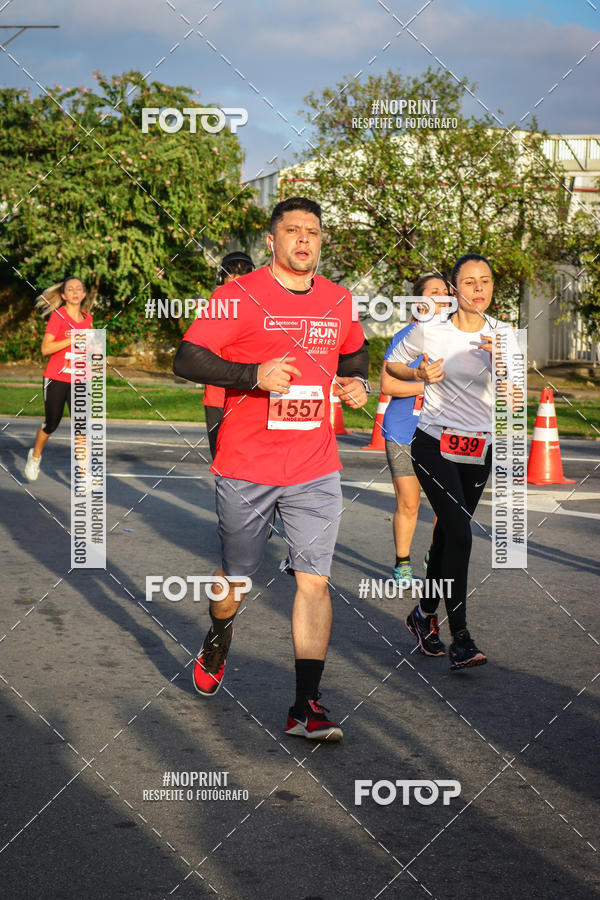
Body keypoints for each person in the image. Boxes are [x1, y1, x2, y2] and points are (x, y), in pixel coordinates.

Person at [173, 197, 369, 740]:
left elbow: (354, 354)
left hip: (314, 464)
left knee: (315, 581)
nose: (303, 239)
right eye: (292, 230)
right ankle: (219, 637)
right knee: (235, 578)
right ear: (271, 241)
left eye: (313, 231)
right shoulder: (236, 296)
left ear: (321, 241)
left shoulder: (338, 300)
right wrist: (252, 375)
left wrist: (357, 382)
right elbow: (186, 358)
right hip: (246, 465)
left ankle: (306, 706)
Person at [386, 253, 518, 670]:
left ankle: (423, 613)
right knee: (461, 535)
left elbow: (515, 401)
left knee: (446, 537)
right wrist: (419, 375)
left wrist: (501, 365)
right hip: (433, 444)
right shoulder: (431, 329)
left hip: (479, 449)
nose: (479, 289)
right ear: (454, 289)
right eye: (470, 282)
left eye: (486, 281)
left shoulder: (505, 334)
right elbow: (392, 365)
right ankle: (460, 637)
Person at [381, 274, 449, 585]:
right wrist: (425, 384)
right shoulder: (406, 337)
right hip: (403, 431)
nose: (443, 296)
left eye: (446, 292)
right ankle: (403, 563)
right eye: (435, 292)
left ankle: (435, 554)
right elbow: (388, 384)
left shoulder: (457, 340)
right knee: (409, 502)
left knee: (445, 503)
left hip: (443, 432)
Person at [24, 277, 93, 482]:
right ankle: (35, 456)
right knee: (51, 423)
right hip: (56, 378)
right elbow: (46, 349)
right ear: (63, 295)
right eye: (70, 289)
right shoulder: (58, 317)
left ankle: (84, 476)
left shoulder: (88, 320)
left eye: (78, 289)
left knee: (81, 427)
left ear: (84, 294)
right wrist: (73, 338)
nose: (75, 292)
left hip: (79, 379)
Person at [203, 252, 255, 459]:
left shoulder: (222, 297)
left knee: (224, 456)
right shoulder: (257, 301)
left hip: (232, 391)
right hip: (240, 391)